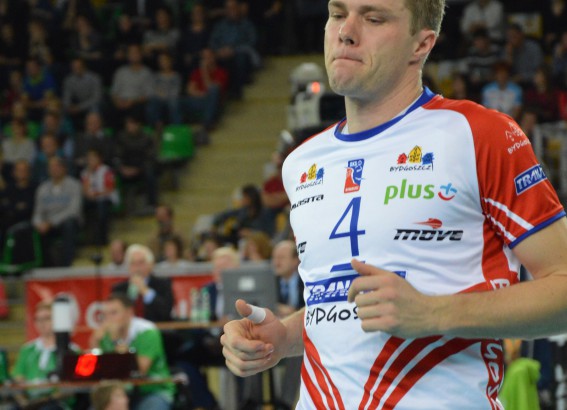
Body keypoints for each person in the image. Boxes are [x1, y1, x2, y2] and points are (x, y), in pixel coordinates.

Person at [221, 1, 567, 409]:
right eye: (337, 14)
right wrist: (284, 338)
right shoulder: (302, 163)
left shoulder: (479, 135)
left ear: (422, 44)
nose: (346, 32)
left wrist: (434, 314)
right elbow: (339, 306)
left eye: (373, 18)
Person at [90, 293, 174, 410]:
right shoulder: (105, 335)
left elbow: (140, 370)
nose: (109, 319)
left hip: (152, 390)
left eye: (114, 313)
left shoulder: (147, 331)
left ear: (129, 312)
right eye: (105, 315)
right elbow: (98, 367)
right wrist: (95, 342)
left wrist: (116, 341)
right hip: (119, 391)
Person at [11, 302, 78, 410]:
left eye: (47, 318)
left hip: (57, 403)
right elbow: (17, 379)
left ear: (58, 320)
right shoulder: (27, 350)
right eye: (38, 319)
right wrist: (24, 402)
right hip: (30, 402)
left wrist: (46, 400)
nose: (42, 323)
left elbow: (72, 388)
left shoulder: (71, 351)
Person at [32, 156, 82, 267]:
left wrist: (51, 222)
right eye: (51, 167)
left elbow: (73, 210)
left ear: (64, 168)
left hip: (66, 223)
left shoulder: (74, 185)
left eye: (57, 166)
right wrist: (39, 223)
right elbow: (37, 212)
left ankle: (66, 265)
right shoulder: (42, 188)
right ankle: (44, 266)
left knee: (69, 224)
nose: (54, 169)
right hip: (47, 225)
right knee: (33, 229)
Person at [111, 244, 173, 322]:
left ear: (150, 265)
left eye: (141, 263)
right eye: (133, 263)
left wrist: (145, 291)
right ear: (128, 267)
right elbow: (115, 315)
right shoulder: (118, 289)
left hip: (156, 327)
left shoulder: (163, 284)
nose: (137, 268)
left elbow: (165, 312)